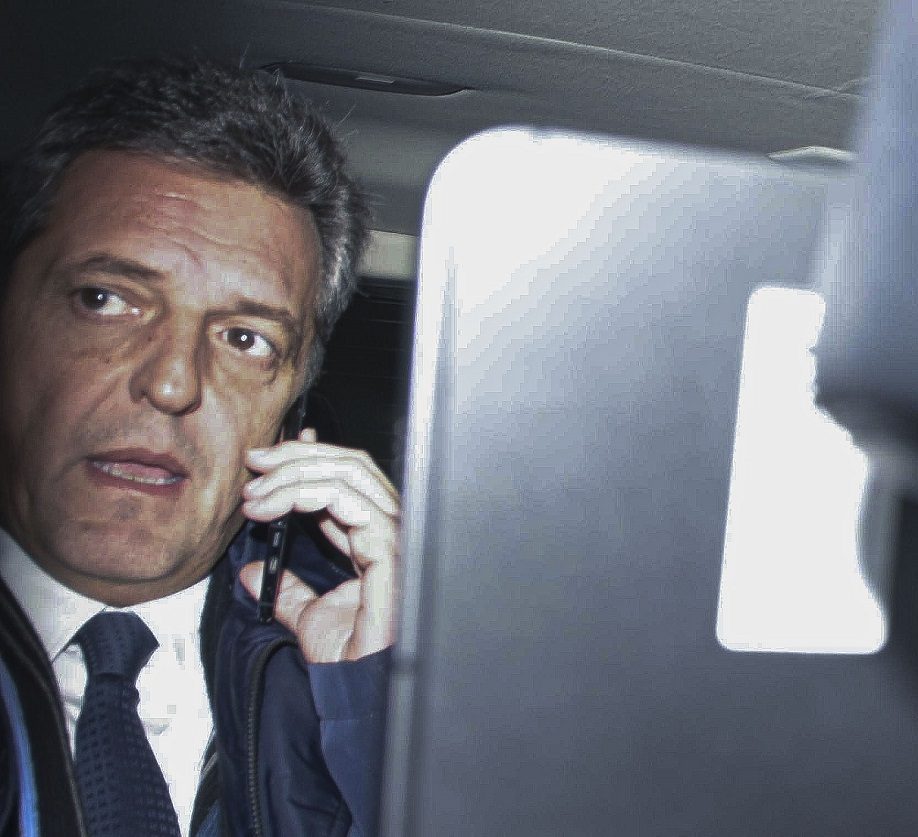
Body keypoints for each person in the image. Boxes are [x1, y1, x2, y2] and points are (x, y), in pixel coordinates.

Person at [0, 56, 399, 836]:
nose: (173, 382)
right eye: (105, 299)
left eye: (245, 339)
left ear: (292, 416)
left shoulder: (361, 684)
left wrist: (387, 717)